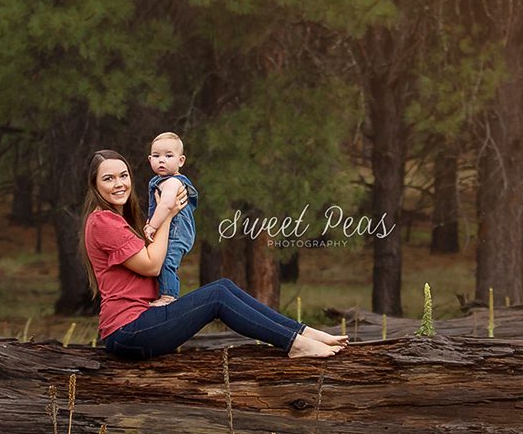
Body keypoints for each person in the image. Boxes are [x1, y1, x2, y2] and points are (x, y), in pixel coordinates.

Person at [80, 149, 346, 359]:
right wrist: (168, 214)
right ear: (94, 184)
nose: (119, 184)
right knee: (217, 296)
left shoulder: (119, 219)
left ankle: (301, 332)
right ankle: (295, 344)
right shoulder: (102, 221)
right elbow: (151, 265)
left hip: (141, 322)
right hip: (129, 330)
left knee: (223, 286)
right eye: (108, 178)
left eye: (123, 176)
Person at [143, 130, 197, 306]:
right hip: (171, 229)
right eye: (156, 156)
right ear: (150, 159)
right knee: (160, 259)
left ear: (180, 161)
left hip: (177, 232)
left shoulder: (173, 182)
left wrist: (152, 226)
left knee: (167, 262)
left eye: (168, 156)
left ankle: (168, 296)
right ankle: (161, 293)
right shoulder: (160, 180)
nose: (162, 160)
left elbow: (166, 205)